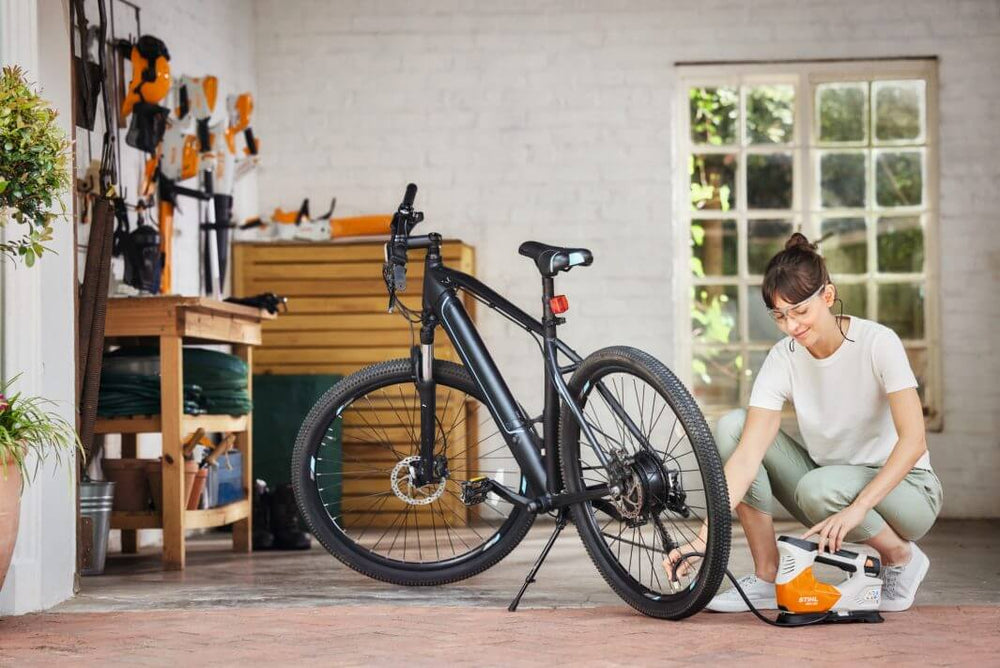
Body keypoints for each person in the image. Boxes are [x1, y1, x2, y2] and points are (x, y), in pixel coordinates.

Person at [664, 232, 943, 613]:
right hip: (829, 486)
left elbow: (914, 442)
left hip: (909, 491)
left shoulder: (878, 343)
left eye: (799, 311)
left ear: (827, 297)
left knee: (817, 487)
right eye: (780, 316)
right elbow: (747, 458)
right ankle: (766, 577)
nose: (791, 325)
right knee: (733, 426)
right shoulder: (785, 358)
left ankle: (901, 557)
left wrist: (859, 507)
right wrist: (704, 539)